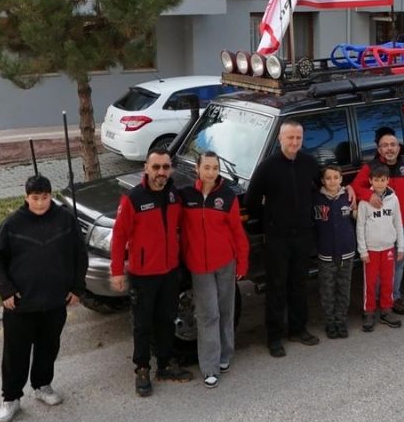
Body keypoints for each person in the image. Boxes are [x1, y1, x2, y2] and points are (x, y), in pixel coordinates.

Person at [0, 175, 87, 422]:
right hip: (20, 304)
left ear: (50, 195)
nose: (40, 203)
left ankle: (42, 385)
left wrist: (77, 287)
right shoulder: (12, 224)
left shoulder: (65, 219)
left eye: (44, 197)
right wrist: (6, 291)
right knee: (15, 353)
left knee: (48, 347)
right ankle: (10, 398)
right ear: (26, 197)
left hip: (55, 301)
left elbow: (79, 254)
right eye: (35, 198)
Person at [110, 147, 192, 397]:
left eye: (166, 167)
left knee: (166, 320)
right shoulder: (133, 199)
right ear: (146, 168)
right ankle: (142, 368)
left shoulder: (174, 196)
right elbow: (118, 238)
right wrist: (117, 272)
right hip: (143, 275)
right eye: (156, 167)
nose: (161, 172)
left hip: (169, 272)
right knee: (143, 325)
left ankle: (165, 365)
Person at [246, 121, 329, 357]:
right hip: (277, 238)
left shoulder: (309, 163)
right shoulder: (267, 167)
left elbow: (321, 188)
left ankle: (298, 329)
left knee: (299, 284)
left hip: (303, 235)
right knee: (276, 287)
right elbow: (251, 201)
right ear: (280, 139)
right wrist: (269, 222)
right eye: (290, 138)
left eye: (298, 138)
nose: (294, 142)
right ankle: (274, 337)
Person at [178, 152, 249, 388]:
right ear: (197, 169)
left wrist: (242, 261)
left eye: (215, 168)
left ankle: (225, 355)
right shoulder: (186, 196)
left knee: (226, 310)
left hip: (225, 263)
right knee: (209, 315)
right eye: (206, 167)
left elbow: (237, 231)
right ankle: (209, 365)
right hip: (199, 266)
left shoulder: (227, 196)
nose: (211, 172)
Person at [351, 128, 404, 314]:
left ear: (399, 147)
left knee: (399, 263)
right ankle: (379, 298)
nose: (390, 148)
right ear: (379, 150)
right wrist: (368, 195)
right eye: (385, 145)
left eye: (393, 145)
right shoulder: (370, 168)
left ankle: (393, 297)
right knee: (380, 265)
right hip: (379, 227)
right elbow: (355, 186)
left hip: (403, 225)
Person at [356, 165, 404, 332]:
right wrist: (362, 250)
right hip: (371, 250)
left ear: (388, 180)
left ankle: (386, 309)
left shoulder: (394, 199)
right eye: (376, 180)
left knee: (387, 281)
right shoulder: (365, 201)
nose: (379, 183)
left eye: (382, 180)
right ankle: (369, 311)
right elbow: (360, 226)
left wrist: (401, 246)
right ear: (370, 180)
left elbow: (398, 222)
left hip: (388, 248)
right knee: (370, 283)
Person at [315, 164, 356, 339]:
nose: (332, 181)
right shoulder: (316, 199)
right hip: (326, 253)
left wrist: (350, 189)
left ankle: (341, 321)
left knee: (344, 289)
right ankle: (330, 322)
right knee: (327, 290)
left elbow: (357, 220)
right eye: (328, 178)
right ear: (323, 181)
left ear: (341, 179)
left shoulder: (348, 197)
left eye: (336, 177)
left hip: (346, 252)